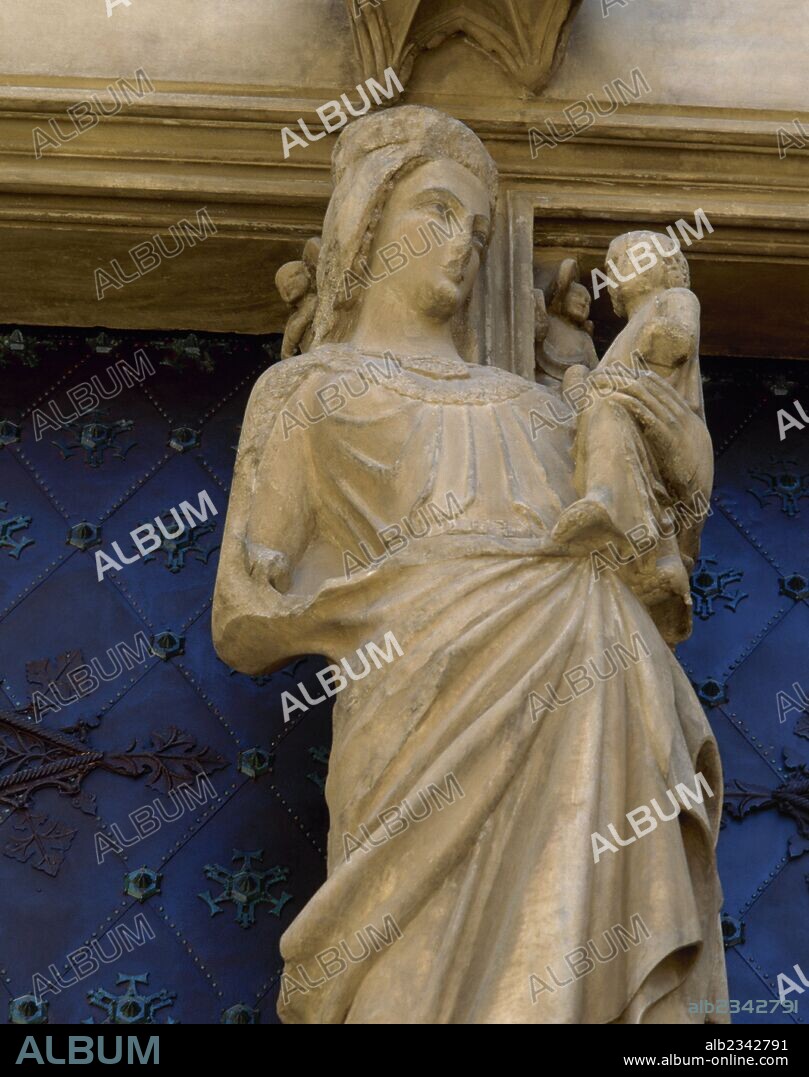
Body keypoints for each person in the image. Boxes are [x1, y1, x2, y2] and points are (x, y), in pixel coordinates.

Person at [213, 105, 726, 1024]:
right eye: (437, 212)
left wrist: (686, 454)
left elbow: (650, 550)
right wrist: (382, 598)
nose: (461, 245)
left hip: (589, 693)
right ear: (367, 219)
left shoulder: (541, 407)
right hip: (413, 705)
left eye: (478, 231)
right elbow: (242, 618)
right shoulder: (307, 391)